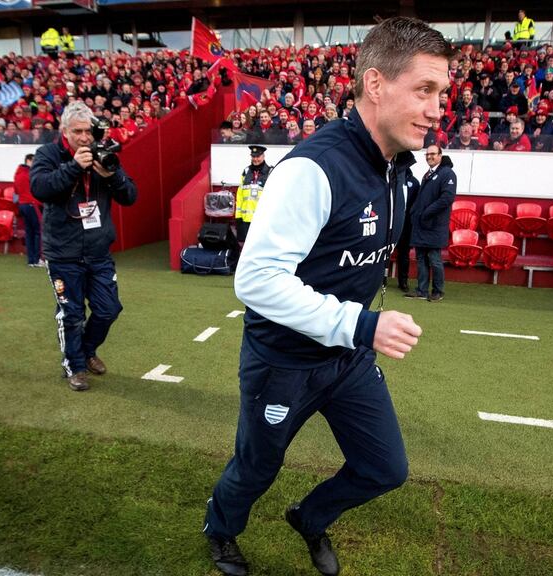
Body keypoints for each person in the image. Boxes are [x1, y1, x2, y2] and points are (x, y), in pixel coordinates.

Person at [203, 17, 450, 576]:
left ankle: (309, 518)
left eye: (442, 94)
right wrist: (363, 325)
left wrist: (356, 333)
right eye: (425, 90)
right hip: (283, 361)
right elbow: (257, 279)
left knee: (385, 467)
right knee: (257, 466)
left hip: (346, 360)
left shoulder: (397, 171)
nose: (438, 109)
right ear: (375, 85)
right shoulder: (313, 167)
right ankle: (220, 529)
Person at [29, 101, 138, 392]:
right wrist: (74, 167)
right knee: (72, 314)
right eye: (77, 132)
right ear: (65, 131)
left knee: (109, 309)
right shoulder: (49, 155)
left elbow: (130, 195)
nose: (84, 137)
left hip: (98, 251)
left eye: (88, 131)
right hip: (63, 254)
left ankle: (87, 351)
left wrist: (111, 175)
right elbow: (40, 188)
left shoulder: (103, 154)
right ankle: (75, 367)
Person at [406, 145, 456, 302]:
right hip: (422, 224)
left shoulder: (447, 173)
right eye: (427, 154)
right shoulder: (428, 174)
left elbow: (447, 198)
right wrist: (415, 212)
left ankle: (438, 291)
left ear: (440, 155)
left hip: (435, 225)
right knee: (421, 258)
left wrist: (426, 212)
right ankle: (421, 290)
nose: (429, 157)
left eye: (433, 154)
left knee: (434, 259)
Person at [234, 145, 272, 244]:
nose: (255, 159)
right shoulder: (246, 171)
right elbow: (240, 195)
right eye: (253, 156)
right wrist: (238, 217)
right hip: (245, 220)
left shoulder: (270, 172)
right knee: (243, 247)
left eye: (258, 156)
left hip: (262, 220)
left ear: (263, 156)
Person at [14, 153, 43, 268]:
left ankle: (31, 260)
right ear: (29, 160)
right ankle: (37, 259)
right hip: (32, 204)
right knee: (38, 232)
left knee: (29, 232)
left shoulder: (18, 174)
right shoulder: (31, 174)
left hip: (22, 205)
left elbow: (16, 190)